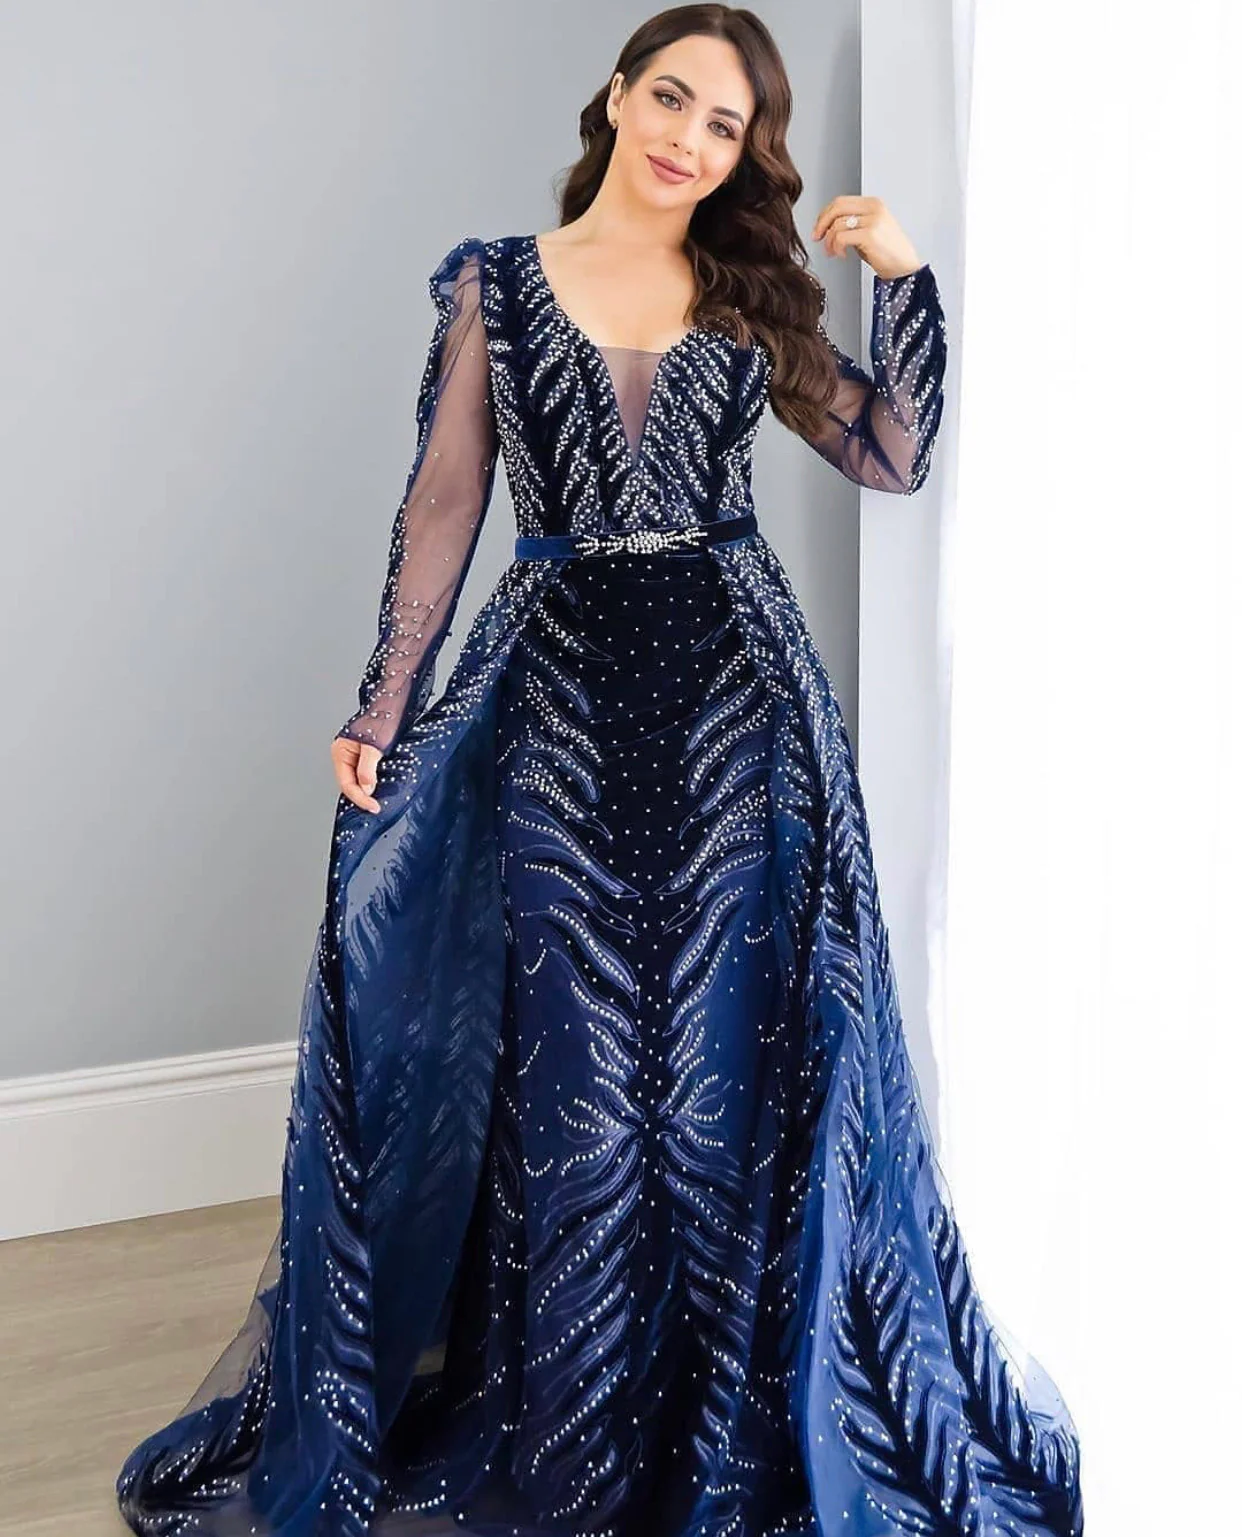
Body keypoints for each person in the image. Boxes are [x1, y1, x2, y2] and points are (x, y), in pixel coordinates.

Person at [116, 6, 1083, 1535]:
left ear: (742, 154)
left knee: (729, 1057)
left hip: (739, 712)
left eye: (723, 124)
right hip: (556, 707)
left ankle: (725, 1419)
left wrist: (901, 279)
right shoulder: (496, 286)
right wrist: (381, 704)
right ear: (616, 96)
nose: (688, 138)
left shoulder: (748, 292)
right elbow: (445, 504)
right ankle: (574, 1418)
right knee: (570, 1062)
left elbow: (889, 454)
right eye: (670, 98)